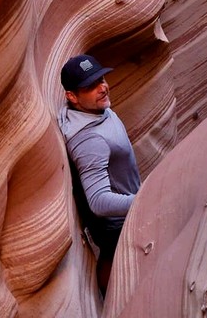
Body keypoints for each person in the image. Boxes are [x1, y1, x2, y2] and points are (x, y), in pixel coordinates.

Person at [57, 54, 141, 296]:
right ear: (72, 96)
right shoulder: (89, 141)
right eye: (90, 86)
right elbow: (98, 201)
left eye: (101, 79)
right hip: (118, 226)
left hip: (127, 205)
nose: (102, 87)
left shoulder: (94, 109)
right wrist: (144, 198)